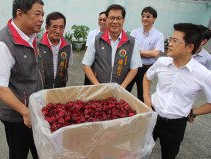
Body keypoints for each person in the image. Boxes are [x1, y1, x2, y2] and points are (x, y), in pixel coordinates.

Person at [143, 23, 211, 159]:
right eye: (170, 39)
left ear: (190, 47)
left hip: (175, 125)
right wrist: (146, 98)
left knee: (169, 155)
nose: (170, 44)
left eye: (175, 41)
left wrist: (192, 112)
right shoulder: (162, 62)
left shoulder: (203, 74)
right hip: (153, 117)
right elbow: (147, 77)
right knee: (141, 151)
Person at [0, 0, 44, 158]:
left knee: (41, 151)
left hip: (34, 110)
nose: (41, 19)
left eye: (43, 15)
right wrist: (25, 112)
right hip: (18, 116)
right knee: (19, 154)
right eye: (37, 14)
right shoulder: (2, 45)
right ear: (20, 14)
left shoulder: (30, 34)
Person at [82, 4, 142, 89]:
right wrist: (98, 86)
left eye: (118, 18)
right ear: (106, 20)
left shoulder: (132, 42)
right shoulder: (96, 40)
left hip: (120, 90)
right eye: (112, 18)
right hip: (97, 89)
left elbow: (134, 68)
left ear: (123, 20)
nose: (115, 22)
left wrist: (121, 88)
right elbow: (86, 65)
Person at [126, 6, 164, 102]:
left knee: (142, 93)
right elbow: (129, 49)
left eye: (148, 16)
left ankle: (141, 114)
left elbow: (155, 53)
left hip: (146, 68)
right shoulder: (135, 32)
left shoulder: (158, 35)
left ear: (154, 19)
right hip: (132, 66)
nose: (144, 18)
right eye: (143, 16)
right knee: (125, 88)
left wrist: (138, 52)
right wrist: (147, 53)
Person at [38, 12, 73, 88]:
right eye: (54, 27)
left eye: (61, 27)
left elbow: (68, 66)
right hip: (41, 88)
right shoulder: (37, 45)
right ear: (47, 27)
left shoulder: (68, 46)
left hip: (60, 88)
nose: (58, 31)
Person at [84, 11, 107, 85]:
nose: (102, 21)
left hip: (103, 66)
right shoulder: (92, 33)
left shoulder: (110, 35)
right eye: (100, 19)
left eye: (104, 20)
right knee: (88, 86)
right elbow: (88, 49)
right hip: (91, 64)